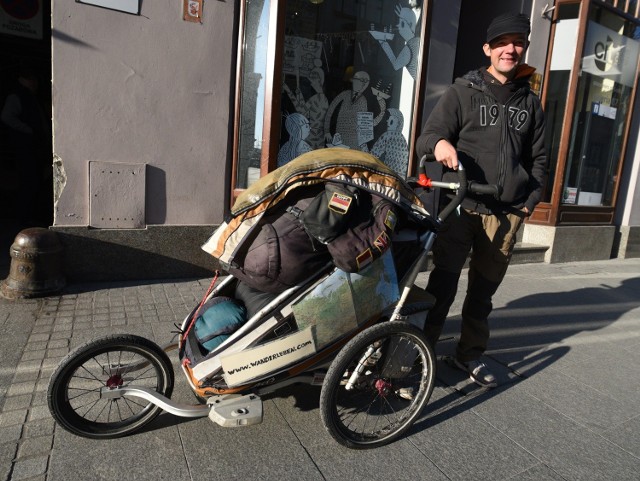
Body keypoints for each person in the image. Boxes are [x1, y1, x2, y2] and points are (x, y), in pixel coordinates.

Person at [415, 12, 547, 388]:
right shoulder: (462, 92)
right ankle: (420, 352)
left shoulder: (531, 103)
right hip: (460, 206)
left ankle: (468, 355)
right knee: (441, 286)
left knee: (483, 294)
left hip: (505, 214)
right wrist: (440, 144)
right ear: (487, 48)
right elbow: (430, 136)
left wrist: (528, 202)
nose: (510, 49)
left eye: (517, 42)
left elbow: (540, 161)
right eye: (502, 42)